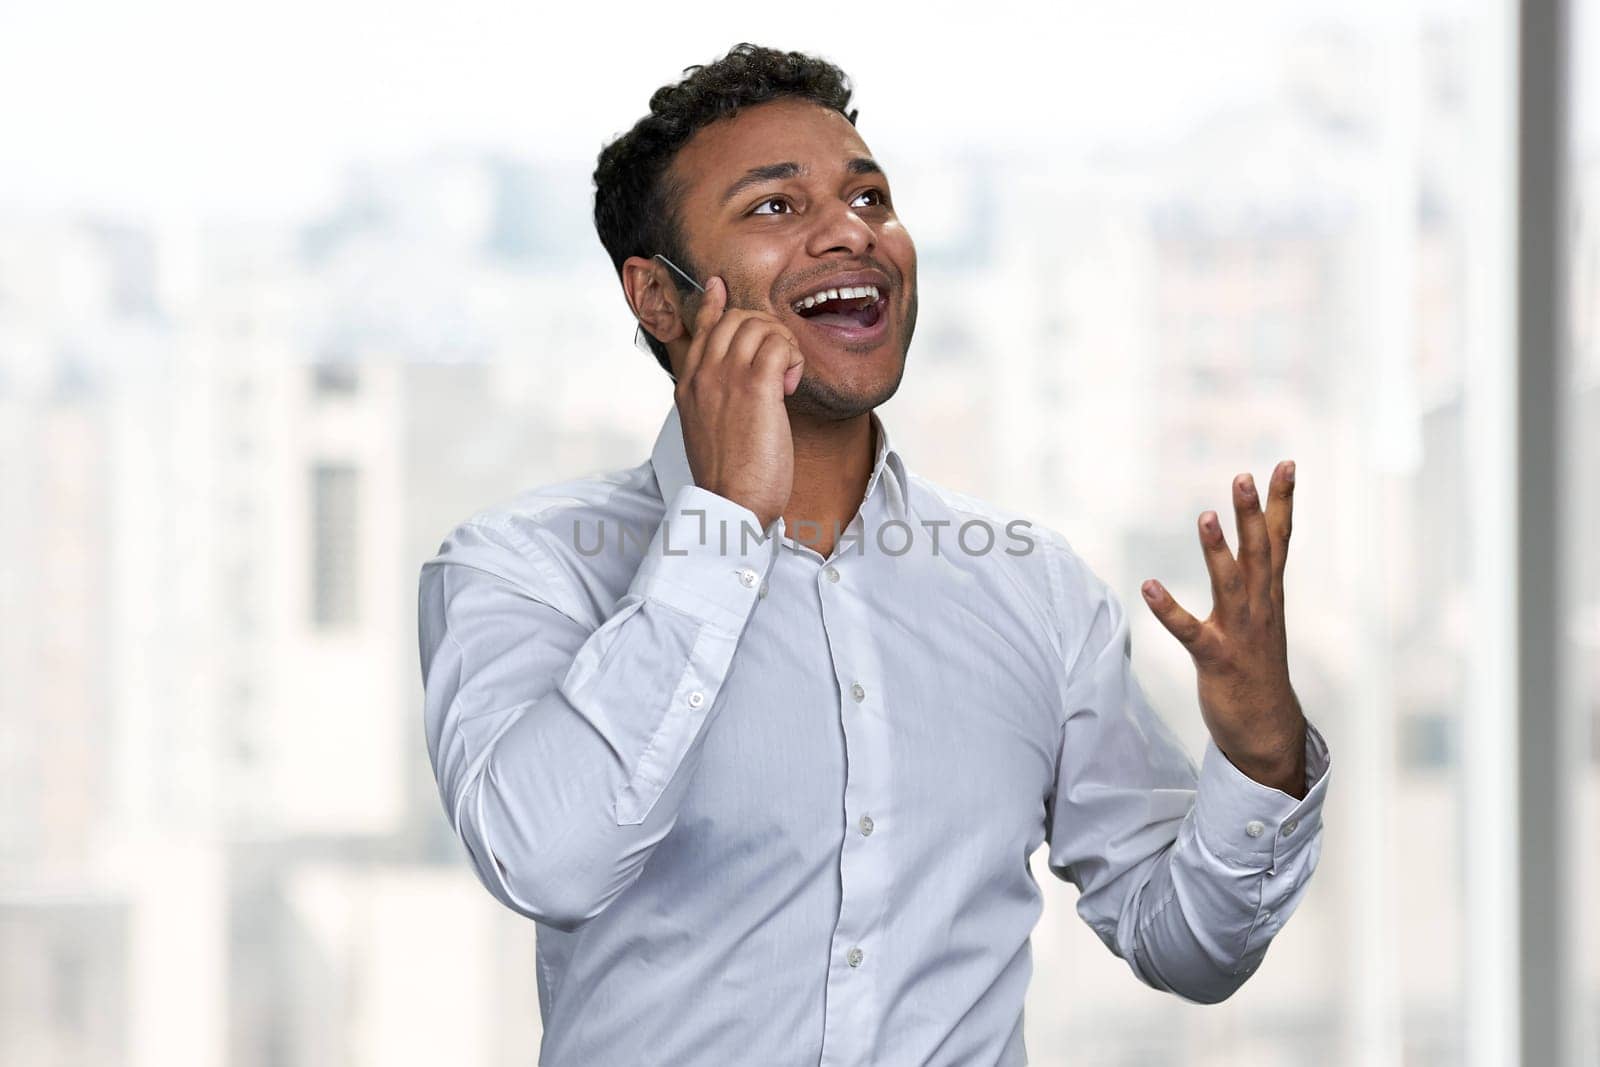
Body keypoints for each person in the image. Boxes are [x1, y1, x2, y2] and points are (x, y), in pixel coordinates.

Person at [417, 42, 1331, 1066]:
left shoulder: (1030, 586)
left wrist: (1260, 760)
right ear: (659, 298)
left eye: (870, 197)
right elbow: (548, 860)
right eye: (775, 207)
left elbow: (1188, 944)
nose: (849, 231)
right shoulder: (524, 569)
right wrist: (721, 521)